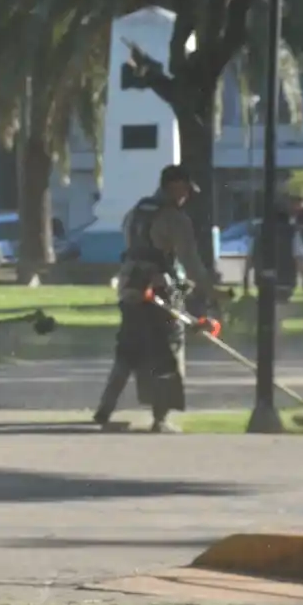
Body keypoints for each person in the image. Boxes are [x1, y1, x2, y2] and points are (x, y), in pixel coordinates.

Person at [93, 164, 215, 434]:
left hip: (129, 287)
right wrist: (209, 290)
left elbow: (132, 248)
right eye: (185, 190)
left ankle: (105, 409)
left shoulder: (136, 211)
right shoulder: (174, 218)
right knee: (168, 350)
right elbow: (190, 260)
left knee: (128, 350)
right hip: (158, 290)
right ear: (175, 186)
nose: (187, 196)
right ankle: (160, 419)